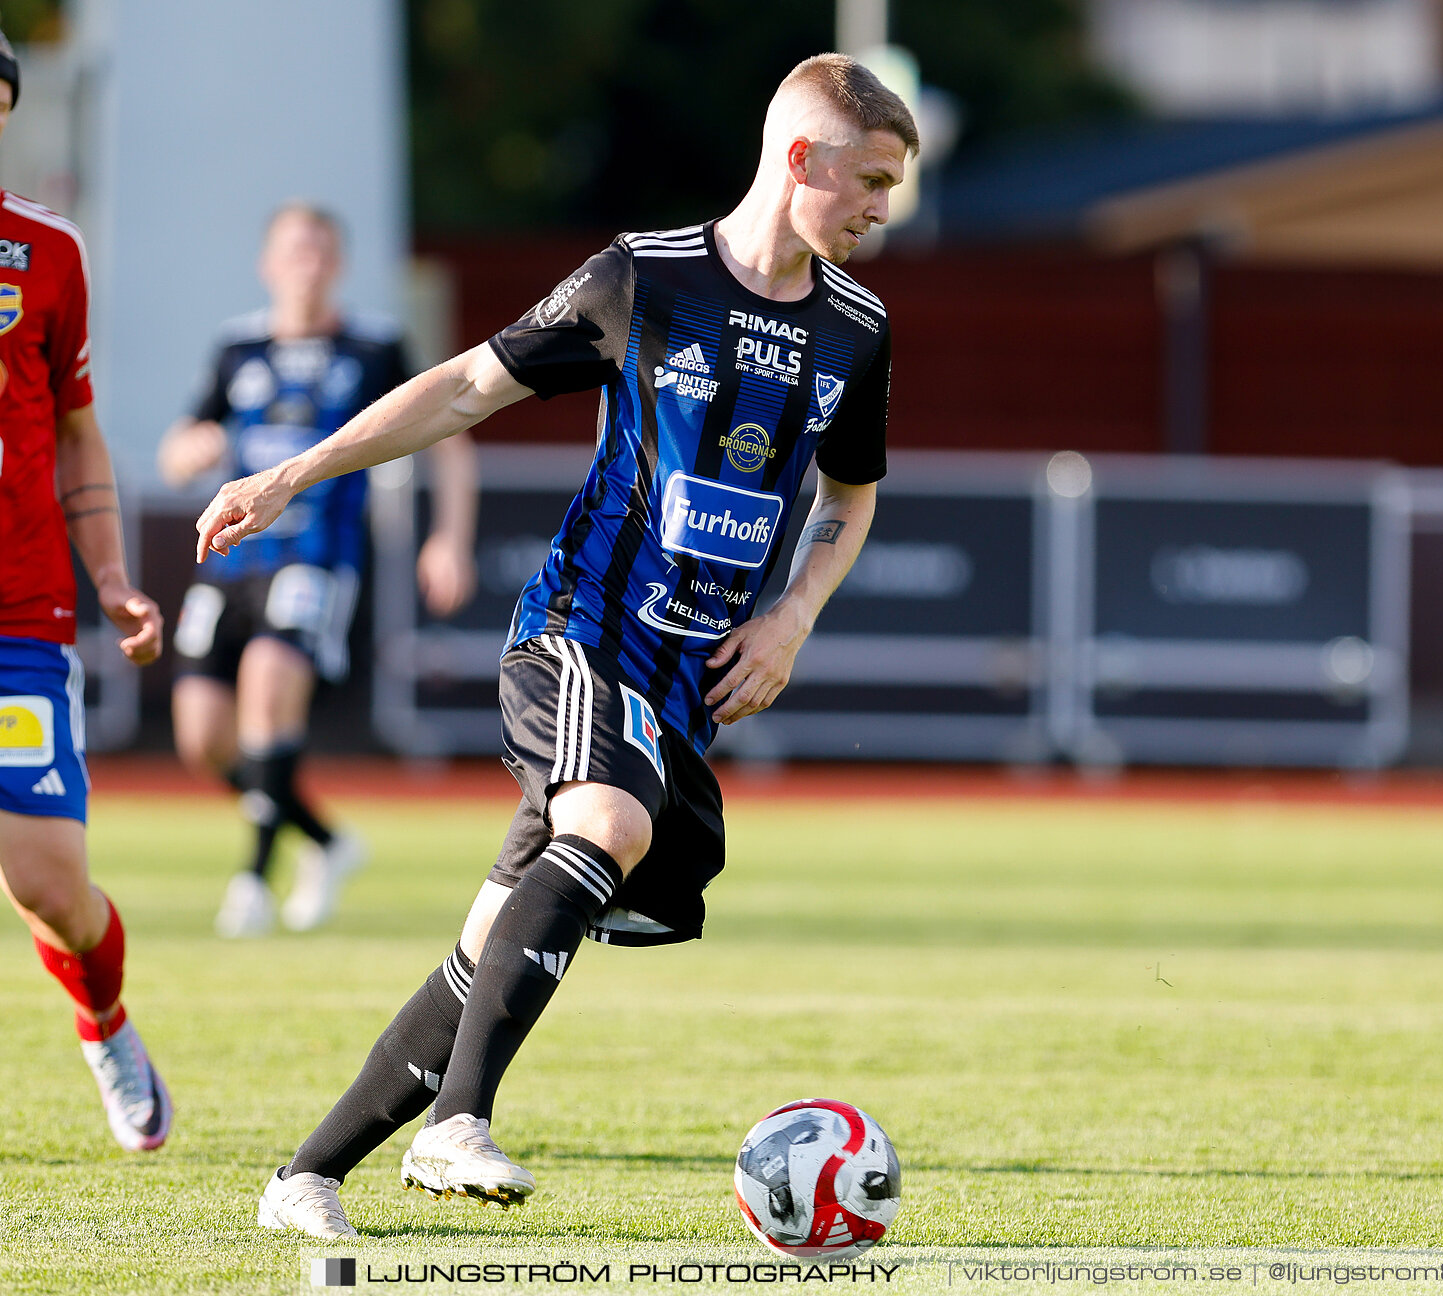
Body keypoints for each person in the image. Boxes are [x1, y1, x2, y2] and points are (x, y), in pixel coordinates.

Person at [197, 52, 915, 1239]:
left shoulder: (859, 330)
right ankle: (456, 1126)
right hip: (580, 634)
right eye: (874, 181)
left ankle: (305, 1176)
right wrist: (294, 470)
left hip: (686, 686)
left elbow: (851, 499)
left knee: (491, 951)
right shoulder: (643, 277)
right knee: (609, 825)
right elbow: (467, 388)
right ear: (802, 159)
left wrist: (793, 614)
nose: (885, 211)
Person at [160, 203, 479, 937]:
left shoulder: (373, 347)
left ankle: (251, 882)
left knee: (269, 699)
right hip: (231, 559)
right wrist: (187, 454)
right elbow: (187, 436)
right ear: (267, 264)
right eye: (291, 250)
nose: (305, 263)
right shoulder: (238, 346)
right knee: (201, 738)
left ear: (338, 264)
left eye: (319, 250)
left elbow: (450, 434)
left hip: (318, 557)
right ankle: (328, 843)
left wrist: (448, 538)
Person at [0, 28, 173, 1151]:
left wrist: (111, 576)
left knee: (48, 882)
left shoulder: (47, 251)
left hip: (18, 613)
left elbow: (77, 431)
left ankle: (103, 1020)